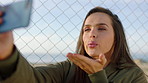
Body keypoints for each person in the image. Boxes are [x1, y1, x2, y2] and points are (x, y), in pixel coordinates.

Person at [0, 6, 147, 83]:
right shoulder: (69, 67)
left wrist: (97, 76)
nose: (92, 34)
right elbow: (32, 79)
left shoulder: (134, 76)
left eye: (101, 28)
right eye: (86, 29)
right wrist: (7, 54)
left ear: (117, 37)